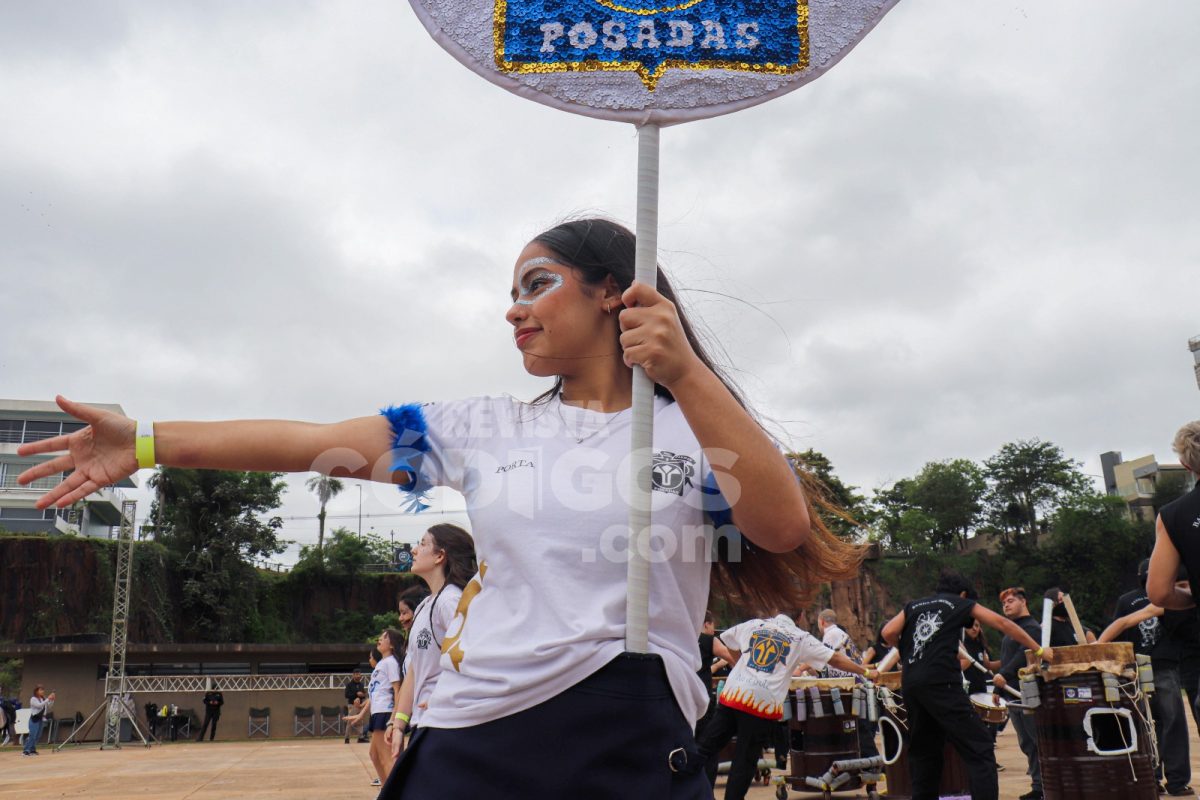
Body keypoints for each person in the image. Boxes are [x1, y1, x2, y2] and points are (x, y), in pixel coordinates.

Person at [16, 217, 863, 799]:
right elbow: (309, 438)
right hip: (472, 735)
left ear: (616, 292)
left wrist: (684, 371)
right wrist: (149, 441)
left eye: (539, 284)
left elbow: (782, 529)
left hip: (628, 735)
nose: (514, 308)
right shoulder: (481, 428)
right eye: (511, 291)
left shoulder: (692, 425)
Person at [882, 573, 1052, 800]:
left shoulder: (913, 605)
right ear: (963, 593)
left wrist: (909, 652)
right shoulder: (960, 602)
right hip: (941, 683)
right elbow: (1002, 623)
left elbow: (888, 633)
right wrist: (1039, 649)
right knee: (980, 748)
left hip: (911, 683)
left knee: (924, 752)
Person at [691, 613, 876, 800]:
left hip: (734, 693)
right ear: (802, 616)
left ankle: (681, 787)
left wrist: (742, 665)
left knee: (706, 747)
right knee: (744, 761)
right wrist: (866, 671)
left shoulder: (755, 624)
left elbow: (729, 640)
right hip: (760, 704)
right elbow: (834, 658)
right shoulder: (800, 637)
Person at [1099, 562, 1194, 796]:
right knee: (1172, 723)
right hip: (1162, 667)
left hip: (1135, 671)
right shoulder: (1170, 598)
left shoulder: (1130, 600)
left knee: (1143, 725)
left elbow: (1119, 627)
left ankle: (1149, 778)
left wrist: (1100, 650)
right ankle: (1177, 781)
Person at [386, 524, 476, 765]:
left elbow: (475, 657)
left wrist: (445, 695)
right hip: (423, 723)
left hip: (447, 724)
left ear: (440, 556)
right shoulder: (426, 604)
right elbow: (414, 670)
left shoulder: (452, 601)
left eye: (423, 543)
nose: (414, 550)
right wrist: (399, 722)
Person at [994, 587, 1044, 800]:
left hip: (1027, 692)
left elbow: (1023, 656)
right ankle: (1038, 786)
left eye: (1011, 600)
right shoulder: (1011, 630)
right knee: (1027, 743)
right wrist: (998, 687)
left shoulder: (1031, 628)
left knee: (1037, 741)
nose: (1006, 605)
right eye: (1004, 602)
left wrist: (1004, 674)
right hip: (1012, 693)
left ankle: (1045, 786)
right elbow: (1007, 660)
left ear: (1024, 602)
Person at [815, 608, 877, 759]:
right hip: (850, 684)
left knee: (858, 727)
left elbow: (827, 657)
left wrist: (802, 667)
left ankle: (873, 761)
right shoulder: (839, 633)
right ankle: (867, 760)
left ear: (822, 622)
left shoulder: (831, 634)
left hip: (850, 685)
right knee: (855, 726)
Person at [345, 631, 403, 787]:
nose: (380, 639)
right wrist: (360, 716)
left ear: (391, 645)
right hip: (377, 713)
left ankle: (392, 792)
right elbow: (373, 696)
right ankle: (386, 791)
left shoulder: (391, 662)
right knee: (374, 755)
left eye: (384, 637)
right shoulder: (382, 665)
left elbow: (398, 690)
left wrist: (393, 718)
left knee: (385, 757)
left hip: (386, 712)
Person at [23, 685, 54, 756]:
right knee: (32, 735)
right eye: (40, 690)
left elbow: (49, 705)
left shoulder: (43, 698)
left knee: (38, 735)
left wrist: (52, 700)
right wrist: (48, 699)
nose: (42, 691)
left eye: (43, 690)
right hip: (35, 718)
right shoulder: (33, 699)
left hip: (41, 718)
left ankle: (32, 749)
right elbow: (39, 705)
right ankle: (26, 750)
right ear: (36, 691)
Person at [344, 668, 367, 744]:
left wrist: (362, 695)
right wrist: (356, 694)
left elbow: (364, 695)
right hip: (352, 705)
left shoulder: (361, 684)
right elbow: (346, 695)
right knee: (350, 721)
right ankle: (347, 738)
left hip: (360, 705)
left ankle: (360, 737)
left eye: (359, 674)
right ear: (353, 675)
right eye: (356, 674)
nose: (358, 676)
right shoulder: (349, 685)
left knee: (360, 721)